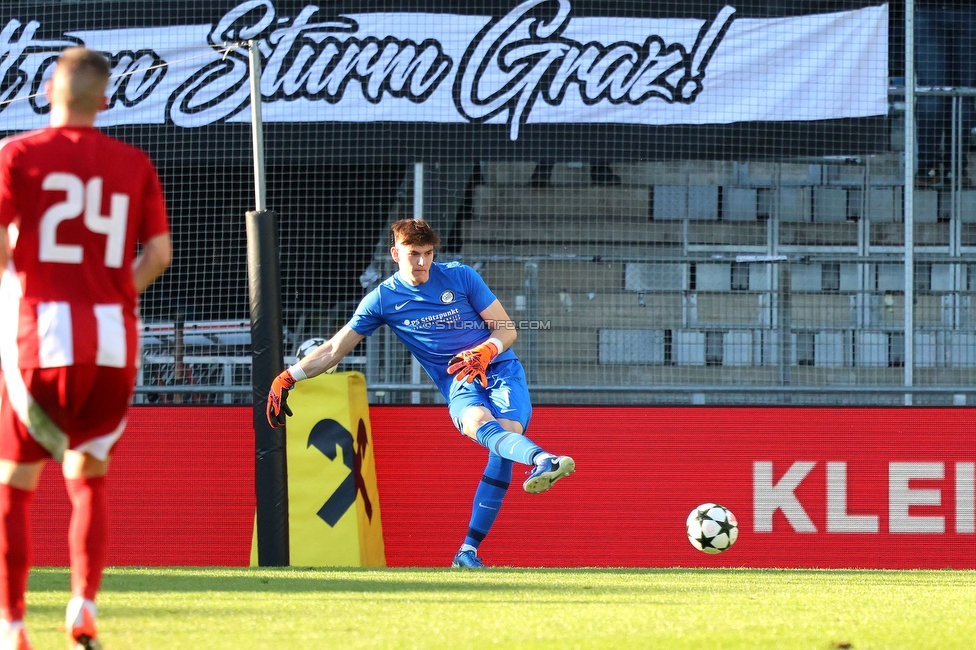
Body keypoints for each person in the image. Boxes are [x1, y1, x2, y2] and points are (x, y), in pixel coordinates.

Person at [267, 218, 574, 568]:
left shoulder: (460, 276)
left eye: (428, 254)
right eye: (414, 254)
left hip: (501, 370)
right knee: (482, 426)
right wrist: (287, 378)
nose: (422, 263)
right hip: (459, 380)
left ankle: (468, 550)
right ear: (395, 253)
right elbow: (334, 349)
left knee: (503, 442)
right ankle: (540, 462)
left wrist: (486, 350)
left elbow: (505, 328)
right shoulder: (382, 299)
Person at [0, 48, 172, 650]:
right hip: (111, 339)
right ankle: (82, 607)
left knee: (14, 483)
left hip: (39, 335)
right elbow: (159, 255)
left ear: (48, 91)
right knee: (88, 476)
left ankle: (13, 625)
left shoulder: (17, 155)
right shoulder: (133, 162)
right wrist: (109, 289)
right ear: (104, 100)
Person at [914, 0, 976, 187]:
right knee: (959, 96)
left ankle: (929, 168)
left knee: (933, 94)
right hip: (959, 12)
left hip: (932, 11)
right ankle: (954, 169)